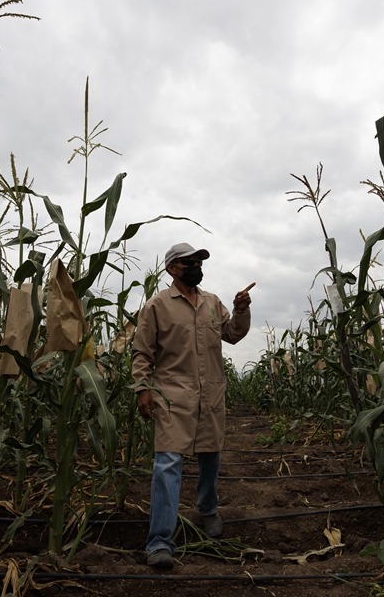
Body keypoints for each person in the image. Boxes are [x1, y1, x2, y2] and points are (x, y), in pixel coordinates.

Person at [132, 242, 253, 569]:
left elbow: (233, 334)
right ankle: (159, 541)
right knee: (167, 464)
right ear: (172, 268)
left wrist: (241, 309)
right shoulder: (157, 306)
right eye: (189, 262)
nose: (196, 266)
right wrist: (143, 388)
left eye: (199, 261)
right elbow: (142, 352)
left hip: (210, 394)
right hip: (172, 395)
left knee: (211, 456)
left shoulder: (213, 303)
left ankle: (208, 510)